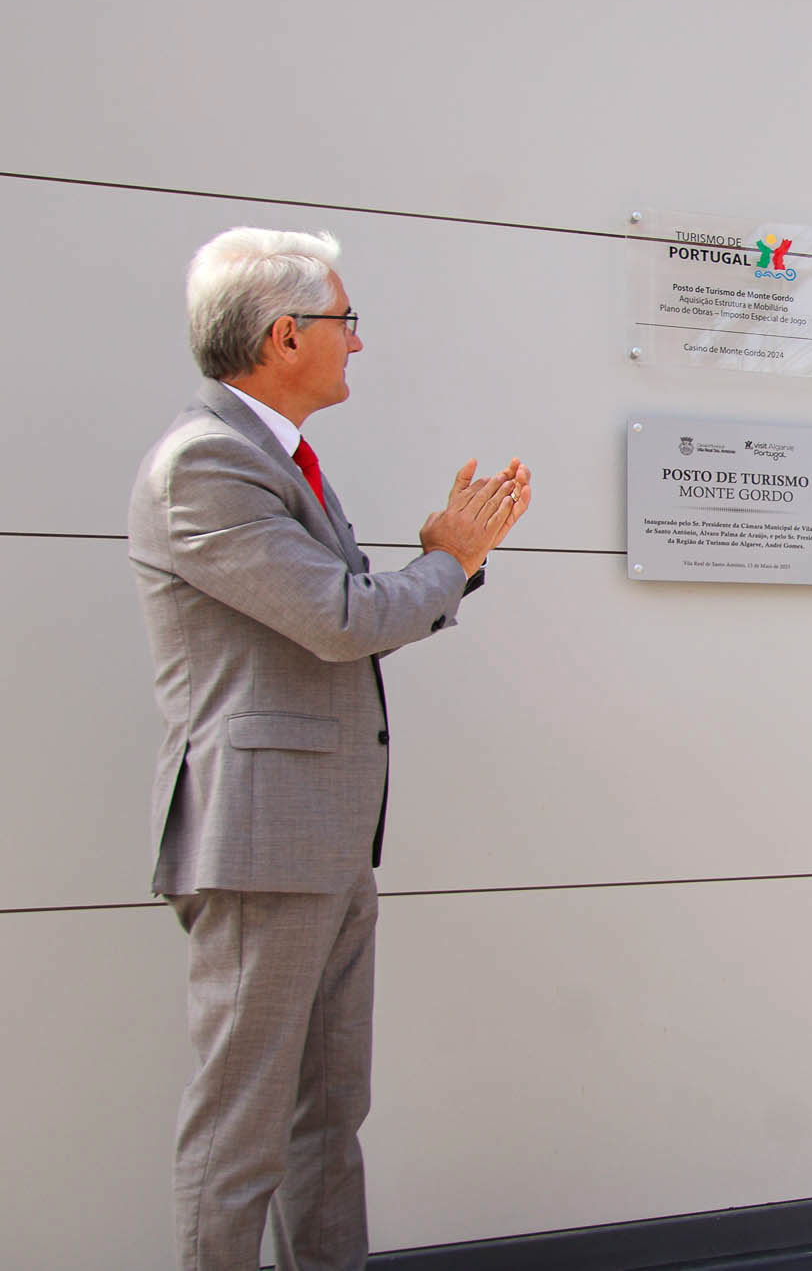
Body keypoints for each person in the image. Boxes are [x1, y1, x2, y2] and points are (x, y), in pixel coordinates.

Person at [129, 227, 532, 1271]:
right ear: (283, 334)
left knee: (325, 1117)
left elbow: (342, 612)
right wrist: (451, 561)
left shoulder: (275, 459)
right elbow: (342, 620)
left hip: (324, 840)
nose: (358, 341)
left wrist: (445, 564)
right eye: (346, 320)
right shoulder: (206, 462)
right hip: (263, 844)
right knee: (241, 1134)